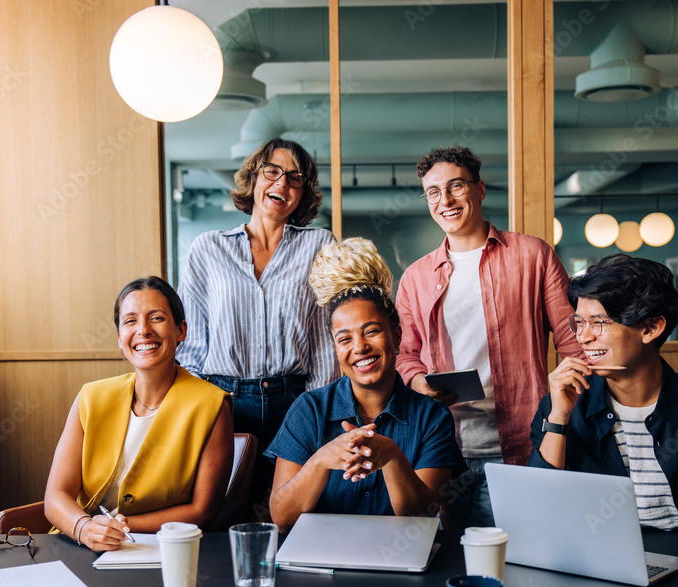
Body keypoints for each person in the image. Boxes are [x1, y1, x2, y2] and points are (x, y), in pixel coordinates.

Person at [529, 255, 678, 587]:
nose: (583, 337)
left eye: (599, 323)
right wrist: (559, 418)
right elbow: (538, 508)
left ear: (650, 328)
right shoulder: (562, 403)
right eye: (578, 322)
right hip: (587, 566)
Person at [396, 145, 582, 529]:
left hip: (522, 443)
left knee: (516, 556)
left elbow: (572, 342)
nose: (444, 200)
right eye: (433, 191)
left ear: (480, 189)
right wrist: (418, 382)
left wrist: (566, 420)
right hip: (443, 448)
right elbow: (405, 354)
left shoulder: (533, 256)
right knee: (445, 561)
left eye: (456, 186)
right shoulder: (415, 277)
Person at [176, 138, 337, 521]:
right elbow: (193, 345)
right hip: (224, 402)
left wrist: (314, 410)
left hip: (294, 402)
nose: (282, 184)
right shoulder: (207, 248)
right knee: (219, 518)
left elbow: (325, 342)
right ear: (253, 178)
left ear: (303, 194)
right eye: (273, 171)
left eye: (295, 179)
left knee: (289, 519)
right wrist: (202, 411)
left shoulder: (320, 245)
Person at [266, 238, 464, 533]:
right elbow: (282, 518)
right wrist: (322, 460)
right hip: (322, 560)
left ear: (396, 336)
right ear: (335, 348)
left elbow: (422, 518)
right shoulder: (309, 410)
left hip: (400, 561)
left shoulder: (432, 417)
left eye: (371, 332)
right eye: (345, 339)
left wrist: (393, 459)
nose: (359, 347)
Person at [45, 277, 234, 551]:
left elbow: (202, 510)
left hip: (160, 549)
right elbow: (56, 496)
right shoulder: (91, 397)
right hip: (80, 544)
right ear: (119, 337)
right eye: (130, 321)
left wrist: (120, 526)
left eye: (156, 318)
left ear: (181, 330)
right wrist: (84, 528)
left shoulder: (213, 405)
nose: (143, 330)